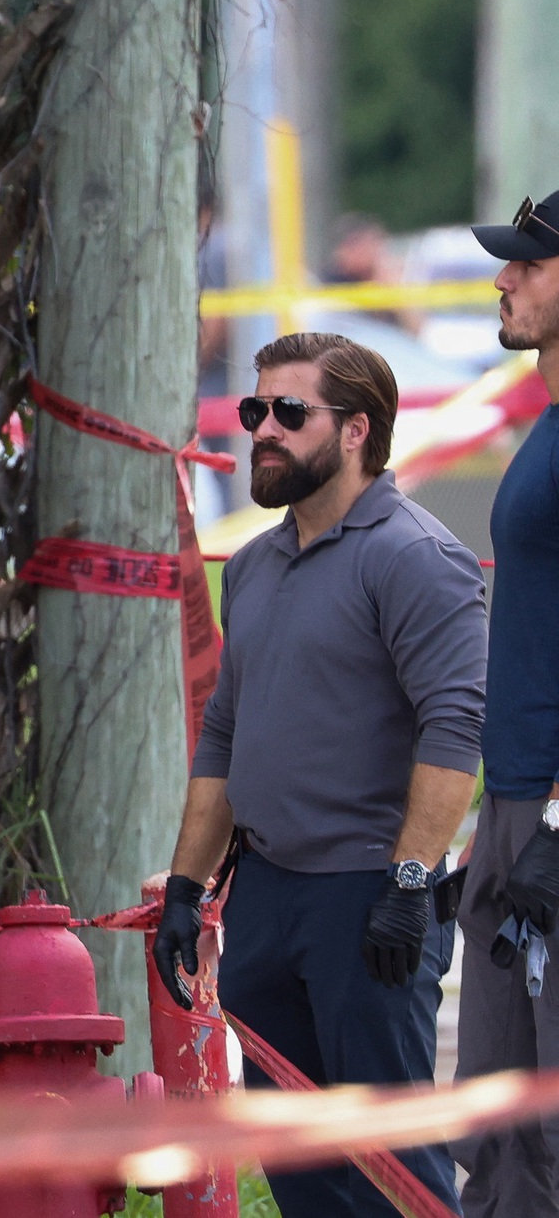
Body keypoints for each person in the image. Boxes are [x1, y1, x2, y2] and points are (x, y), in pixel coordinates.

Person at [153, 331, 485, 1216]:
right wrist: (186, 888)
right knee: (303, 1178)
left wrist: (410, 885)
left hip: (366, 899)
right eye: (254, 409)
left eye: (288, 413)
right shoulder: (256, 566)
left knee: (396, 1175)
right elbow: (226, 731)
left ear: (354, 431)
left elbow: (456, 727)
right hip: (266, 896)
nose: (262, 428)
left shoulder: (416, 556)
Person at [451, 187, 559, 1215]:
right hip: (513, 800)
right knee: (497, 1122)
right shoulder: (546, 427)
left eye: (526, 262)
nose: (502, 278)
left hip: (549, 811)